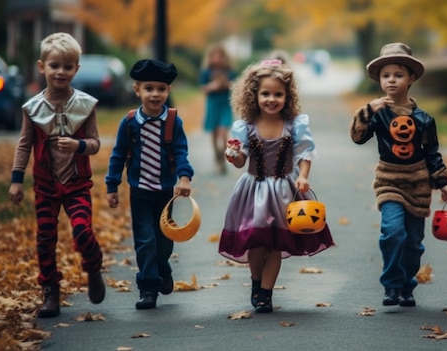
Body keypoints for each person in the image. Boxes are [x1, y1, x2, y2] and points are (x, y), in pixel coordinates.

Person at [218, 59, 335, 313]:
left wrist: (303, 176)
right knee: (256, 242)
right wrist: (233, 155)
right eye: (266, 94)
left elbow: (305, 153)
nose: (272, 99)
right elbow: (240, 163)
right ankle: (256, 282)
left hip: (284, 190)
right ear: (254, 95)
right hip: (253, 190)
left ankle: (266, 294)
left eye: (278, 94)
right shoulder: (245, 127)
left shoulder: (294, 125)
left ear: (287, 96)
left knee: (274, 244)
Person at [9, 32, 105, 318]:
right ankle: (50, 290)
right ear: (42, 67)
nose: (60, 72)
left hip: (77, 184)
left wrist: (78, 145)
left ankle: (93, 265)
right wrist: (16, 181)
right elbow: (24, 144)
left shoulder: (85, 105)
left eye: (67, 66)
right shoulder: (33, 108)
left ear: (76, 69)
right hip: (46, 185)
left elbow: (96, 144)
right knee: (45, 238)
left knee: (82, 230)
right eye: (54, 66)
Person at [350, 43, 447, 307]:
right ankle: (392, 286)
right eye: (386, 75)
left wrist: (443, 183)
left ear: (411, 78)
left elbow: (432, 153)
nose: (391, 80)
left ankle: (407, 284)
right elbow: (358, 137)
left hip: (417, 182)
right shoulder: (377, 113)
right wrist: (367, 111)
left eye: (398, 74)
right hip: (388, 179)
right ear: (380, 80)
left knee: (413, 242)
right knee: (393, 232)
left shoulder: (424, 119)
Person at [105, 59, 194, 310]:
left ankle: (162, 268)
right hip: (140, 192)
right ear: (137, 90)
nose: (155, 94)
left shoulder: (173, 121)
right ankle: (148, 287)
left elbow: (180, 152)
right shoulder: (130, 123)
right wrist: (112, 186)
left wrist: (185, 178)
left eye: (161, 89)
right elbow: (118, 155)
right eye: (149, 88)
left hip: (165, 192)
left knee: (164, 241)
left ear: (168, 91)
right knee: (145, 240)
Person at [199, 43, 236, 174]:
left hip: (225, 104)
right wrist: (212, 86)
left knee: (223, 131)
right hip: (212, 104)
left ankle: (224, 156)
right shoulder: (206, 72)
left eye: (220, 56)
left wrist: (227, 85)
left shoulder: (229, 71)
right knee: (214, 132)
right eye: (214, 56)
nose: (217, 59)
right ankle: (217, 156)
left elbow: (235, 85)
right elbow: (202, 87)